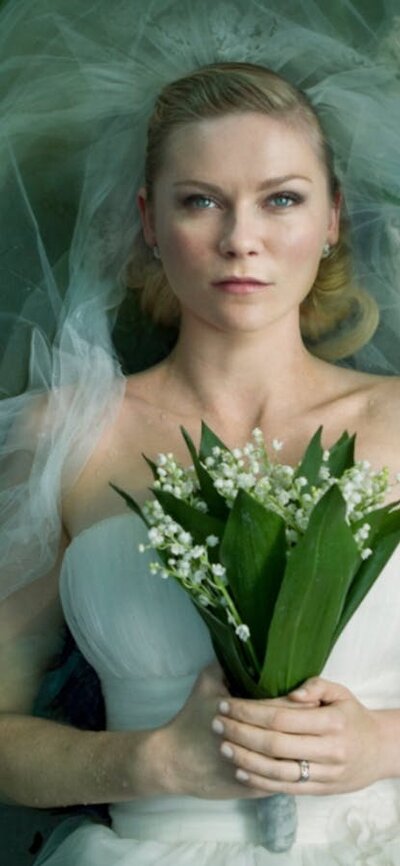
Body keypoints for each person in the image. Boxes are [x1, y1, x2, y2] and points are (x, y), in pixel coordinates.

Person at [1, 1, 400, 863]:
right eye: (201, 202)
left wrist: (381, 745)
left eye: (281, 200)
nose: (241, 241)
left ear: (332, 217)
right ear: (149, 220)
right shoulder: (62, 436)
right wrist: (147, 761)